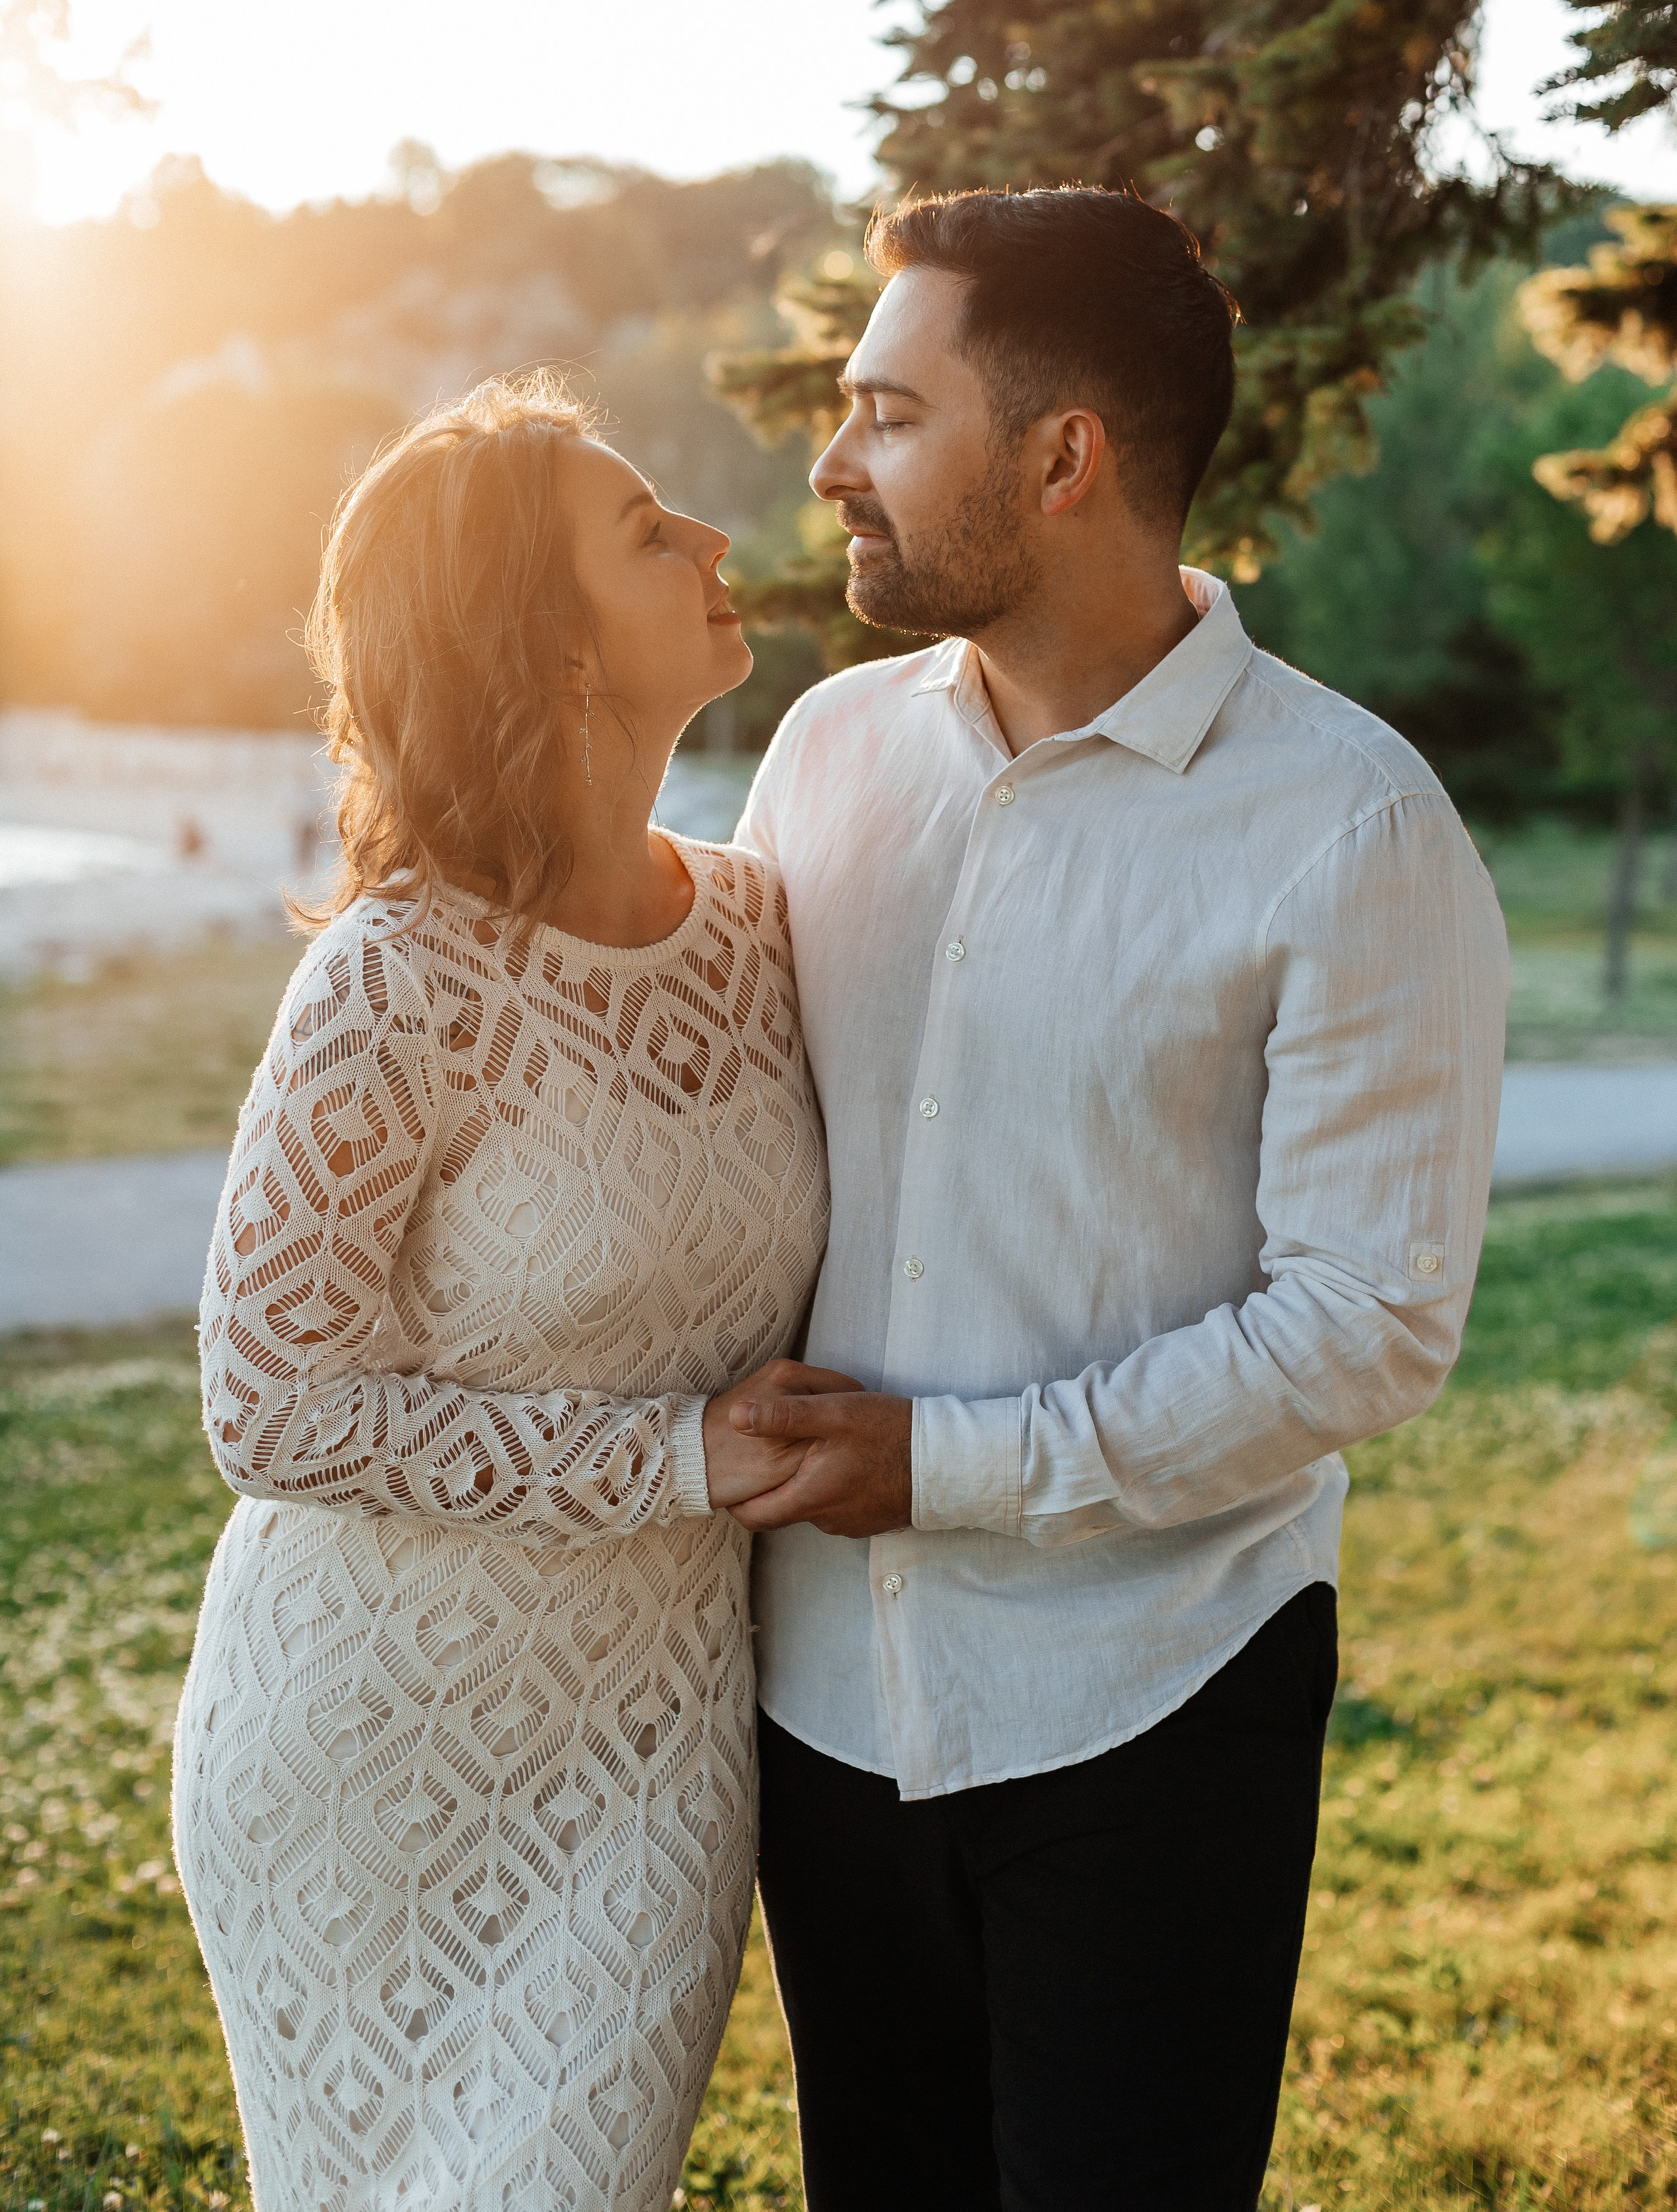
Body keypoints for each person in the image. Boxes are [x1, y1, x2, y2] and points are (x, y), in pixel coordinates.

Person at [724, 187, 1510, 2211]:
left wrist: (954, 1466)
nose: (833, 466)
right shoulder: (821, 758)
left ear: (1062, 456)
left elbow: (1366, 1324)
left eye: (890, 414)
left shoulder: (1351, 826)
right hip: (818, 1704)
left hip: (1150, 1704)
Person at [172, 377, 833, 2212]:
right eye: (645, 530)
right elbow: (269, 1406)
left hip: (647, 1754)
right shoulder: (394, 984)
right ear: (541, 648)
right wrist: (674, 1458)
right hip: (365, 1742)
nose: (710, 535)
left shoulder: (768, 928)